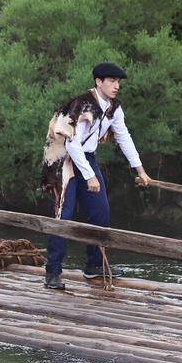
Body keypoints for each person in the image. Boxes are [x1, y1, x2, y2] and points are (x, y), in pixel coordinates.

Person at [40, 62, 152, 289]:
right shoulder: (83, 105)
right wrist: (89, 176)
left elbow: (124, 137)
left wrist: (140, 170)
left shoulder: (114, 108)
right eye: (111, 81)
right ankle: (53, 272)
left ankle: (94, 265)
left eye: (118, 82)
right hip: (63, 159)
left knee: (101, 212)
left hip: (86, 158)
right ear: (98, 82)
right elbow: (72, 144)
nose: (116, 86)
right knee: (64, 215)